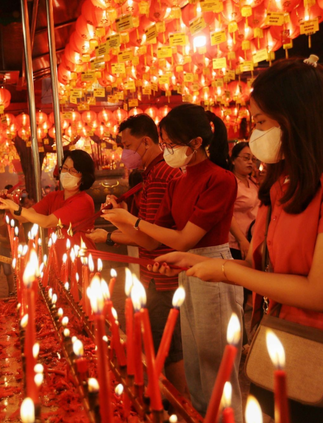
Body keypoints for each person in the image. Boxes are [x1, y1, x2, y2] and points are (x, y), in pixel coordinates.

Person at [153, 57, 323, 422]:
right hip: (272, 339)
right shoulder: (278, 189)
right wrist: (199, 263)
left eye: (261, 123)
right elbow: (263, 268)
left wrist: (226, 273)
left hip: (314, 350)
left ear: (296, 117)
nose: (254, 135)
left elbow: (315, 292)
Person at [101, 104, 243, 422]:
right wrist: (117, 218)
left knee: (217, 368)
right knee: (195, 366)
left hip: (214, 271)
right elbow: (154, 240)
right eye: (163, 144)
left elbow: (184, 239)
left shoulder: (220, 179)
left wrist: (132, 222)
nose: (165, 150)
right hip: (185, 270)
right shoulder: (180, 179)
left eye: (170, 144)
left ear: (194, 143)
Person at [86, 114, 187, 395]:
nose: (123, 153)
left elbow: (150, 239)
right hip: (156, 275)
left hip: (163, 278)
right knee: (165, 347)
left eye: (127, 145)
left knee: (167, 351)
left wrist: (118, 221)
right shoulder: (155, 173)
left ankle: (178, 406)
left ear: (146, 141)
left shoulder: (161, 175)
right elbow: (145, 230)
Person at [0, 149, 96, 263]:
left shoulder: (83, 201)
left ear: (84, 176)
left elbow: (47, 221)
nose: (67, 173)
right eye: (65, 168)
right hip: (58, 262)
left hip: (81, 262)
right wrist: (11, 205)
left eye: (73, 170)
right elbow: (24, 217)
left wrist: (17, 208)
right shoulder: (53, 197)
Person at [229, 142, 259, 260]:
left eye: (253, 159)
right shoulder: (230, 182)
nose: (250, 162)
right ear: (233, 160)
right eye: (246, 158)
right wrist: (242, 241)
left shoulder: (253, 181)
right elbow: (227, 214)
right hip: (237, 243)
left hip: (254, 239)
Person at [0, 208, 14, 295]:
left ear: (2, 215)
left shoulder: (6, 226)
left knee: (8, 272)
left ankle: (11, 291)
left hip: (4, 251)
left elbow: (9, 239)